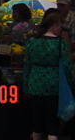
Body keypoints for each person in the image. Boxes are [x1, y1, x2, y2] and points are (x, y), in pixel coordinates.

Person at [24, 10, 71, 140]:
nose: (61, 29)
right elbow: (67, 66)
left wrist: (26, 85)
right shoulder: (60, 43)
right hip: (53, 85)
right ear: (54, 25)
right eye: (60, 26)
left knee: (37, 123)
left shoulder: (32, 41)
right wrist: (70, 83)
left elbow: (27, 64)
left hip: (34, 83)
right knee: (52, 124)